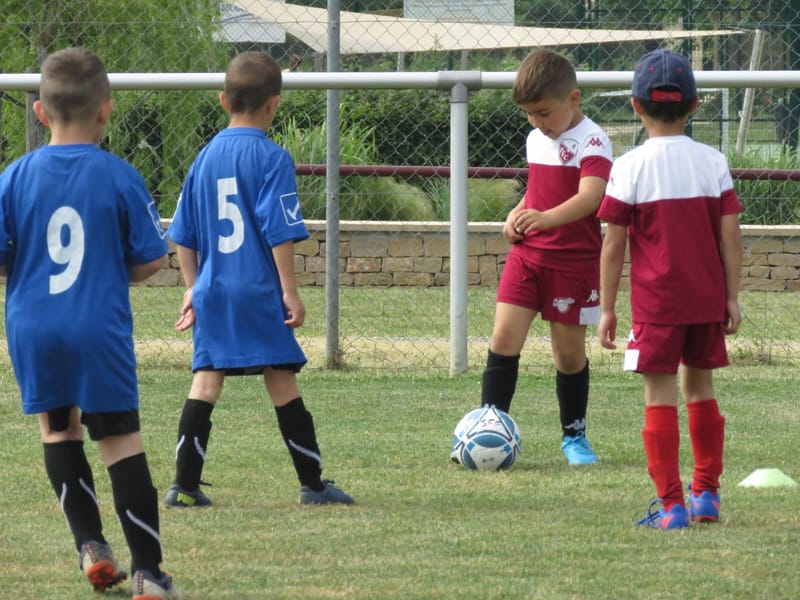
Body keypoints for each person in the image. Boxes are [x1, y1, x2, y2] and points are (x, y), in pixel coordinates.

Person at [0, 48, 181, 598]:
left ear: (39, 112)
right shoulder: (120, 176)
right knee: (120, 440)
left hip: (33, 327)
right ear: (106, 110)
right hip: (95, 328)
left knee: (59, 430)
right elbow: (152, 258)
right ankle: (149, 572)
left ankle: (91, 546)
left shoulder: (13, 177)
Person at [164, 51, 353, 508]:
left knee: (205, 383)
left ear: (223, 99)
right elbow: (278, 230)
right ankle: (313, 486)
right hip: (258, 291)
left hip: (213, 290)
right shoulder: (272, 158)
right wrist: (289, 290)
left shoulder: (204, 159)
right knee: (281, 381)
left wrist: (193, 286)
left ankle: (183, 486)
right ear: (274, 104)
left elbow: (182, 234)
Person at [597, 48, 743, 530]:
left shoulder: (628, 167)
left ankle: (671, 506)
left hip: (656, 307)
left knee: (658, 398)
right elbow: (730, 237)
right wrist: (732, 296)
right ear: (696, 104)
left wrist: (607, 309)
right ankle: (706, 496)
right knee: (700, 390)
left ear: (636, 107)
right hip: (705, 301)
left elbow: (613, 246)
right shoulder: (713, 161)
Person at [458, 49, 613, 466]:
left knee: (567, 355)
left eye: (543, 113)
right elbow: (537, 191)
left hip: (572, 263)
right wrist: (518, 214)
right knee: (503, 342)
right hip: (527, 257)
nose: (536, 123)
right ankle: (488, 433)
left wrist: (543, 218)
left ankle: (574, 438)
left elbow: (591, 197)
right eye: (529, 114)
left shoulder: (593, 140)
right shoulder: (535, 139)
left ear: (574, 99)